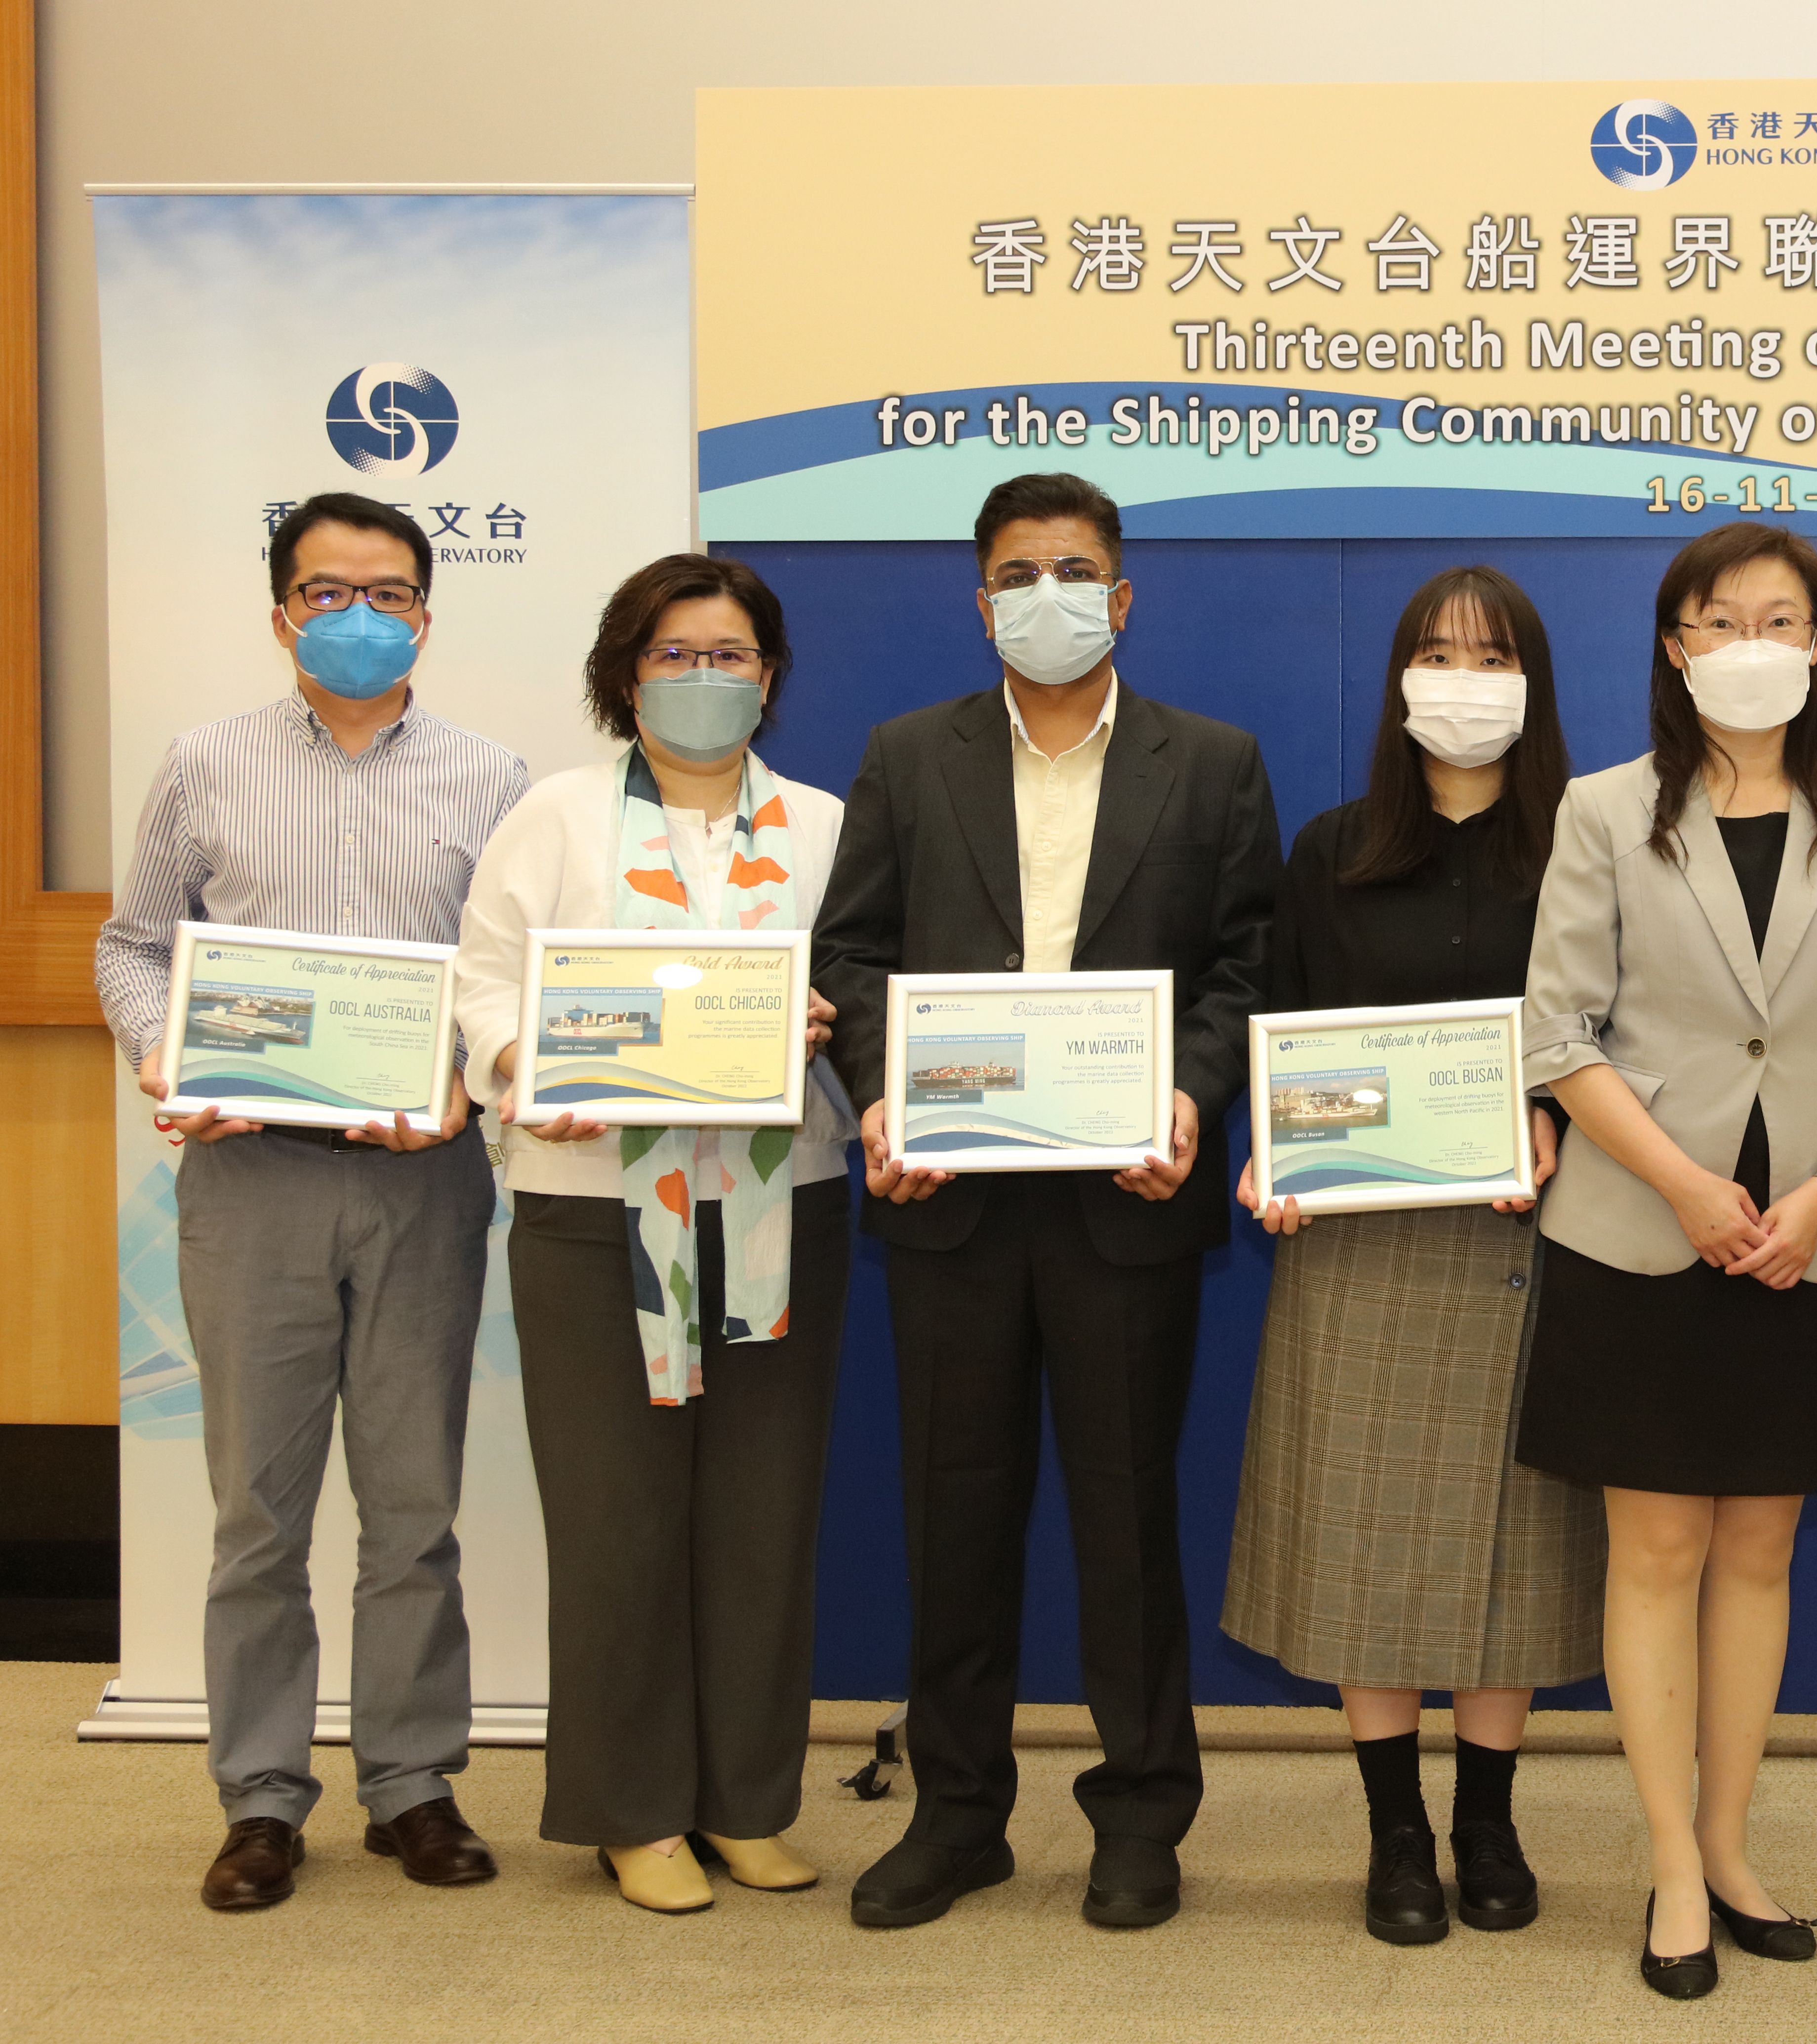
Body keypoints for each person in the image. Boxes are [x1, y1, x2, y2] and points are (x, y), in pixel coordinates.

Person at [812, 472, 1282, 1932]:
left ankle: (1142, 1812)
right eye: (1018, 572)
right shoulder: (908, 753)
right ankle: (960, 1813)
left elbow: (1246, 969)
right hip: (953, 1202)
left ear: (1122, 596)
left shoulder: (1210, 762)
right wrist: (889, 1094)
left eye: (1074, 569)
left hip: (1126, 1202)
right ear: (982, 600)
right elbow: (858, 957)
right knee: (957, 1521)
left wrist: (1191, 1100)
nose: (1048, 594)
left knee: (1131, 1521)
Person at [1511, 522, 1817, 1999]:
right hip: (1641, 1228)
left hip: (1807, 1241)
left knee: (1759, 1548)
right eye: (1718, 619)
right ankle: (1671, 1862)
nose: (1750, 641)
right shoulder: (1602, 811)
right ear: (1676, 647)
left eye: (1780, 617)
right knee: (1659, 1548)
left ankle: (1732, 1836)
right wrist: (1692, 1182)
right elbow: (1556, 1032)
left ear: (1816, 642)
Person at [96, 492, 529, 1911]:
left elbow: (510, 980)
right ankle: (263, 1799)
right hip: (252, 1185)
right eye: (328, 590)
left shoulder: (493, 778)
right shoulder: (204, 763)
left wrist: (479, 1067)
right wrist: (167, 1050)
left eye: (389, 591)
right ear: (281, 610)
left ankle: (410, 1782)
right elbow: (133, 945)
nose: (360, 613)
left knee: (415, 1506)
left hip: (422, 1185)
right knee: (259, 1516)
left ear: (424, 611)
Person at [450, 554, 854, 1914]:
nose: (703, 678)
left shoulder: (825, 825)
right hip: (591, 1215)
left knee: (761, 1514)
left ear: (770, 675)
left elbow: (867, 990)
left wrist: (825, 1028)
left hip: (781, 1208)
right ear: (627, 676)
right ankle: (634, 1811)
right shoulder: (554, 819)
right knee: (619, 1520)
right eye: (674, 655)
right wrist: (530, 1064)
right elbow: (489, 984)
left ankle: (746, 1801)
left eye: (730, 654)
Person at [1222, 565, 1598, 1946]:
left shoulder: (1587, 839)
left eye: (1491, 653)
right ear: (1399, 678)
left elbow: (1617, 1028)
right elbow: (1285, 1029)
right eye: (1438, 651)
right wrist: (1276, 1150)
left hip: (1533, 1232)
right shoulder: (1329, 849)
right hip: (1361, 1242)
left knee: (1512, 1545)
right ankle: (1395, 1830)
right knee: (1363, 1538)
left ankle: (1489, 1818)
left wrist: (1553, 1116)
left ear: (1532, 683)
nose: (1463, 675)